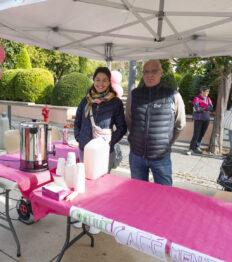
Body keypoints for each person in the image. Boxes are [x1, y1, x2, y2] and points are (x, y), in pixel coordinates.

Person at [74, 67, 127, 233]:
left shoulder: (115, 102)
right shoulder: (86, 100)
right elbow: (77, 122)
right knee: (83, 183)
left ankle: (97, 220)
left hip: (104, 153)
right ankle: (81, 215)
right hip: (85, 149)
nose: (100, 83)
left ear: (109, 82)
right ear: (93, 80)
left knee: (102, 187)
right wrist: (79, 137)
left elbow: (122, 127)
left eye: (104, 80)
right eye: (98, 79)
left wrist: (109, 145)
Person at [126, 60, 186, 186]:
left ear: (161, 72)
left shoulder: (173, 95)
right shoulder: (134, 94)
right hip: (137, 156)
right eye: (146, 72)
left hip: (161, 158)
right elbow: (129, 120)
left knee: (164, 195)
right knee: (138, 193)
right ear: (142, 74)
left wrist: (166, 142)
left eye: (154, 71)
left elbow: (180, 125)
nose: (150, 75)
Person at [187, 86, 213, 155]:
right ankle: (191, 148)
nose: (208, 93)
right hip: (198, 118)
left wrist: (202, 108)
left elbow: (211, 107)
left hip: (206, 119)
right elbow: (197, 108)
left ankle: (197, 147)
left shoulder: (208, 99)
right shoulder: (197, 98)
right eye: (206, 91)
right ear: (202, 91)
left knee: (202, 134)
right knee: (196, 134)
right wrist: (205, 108)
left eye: (208, 91)